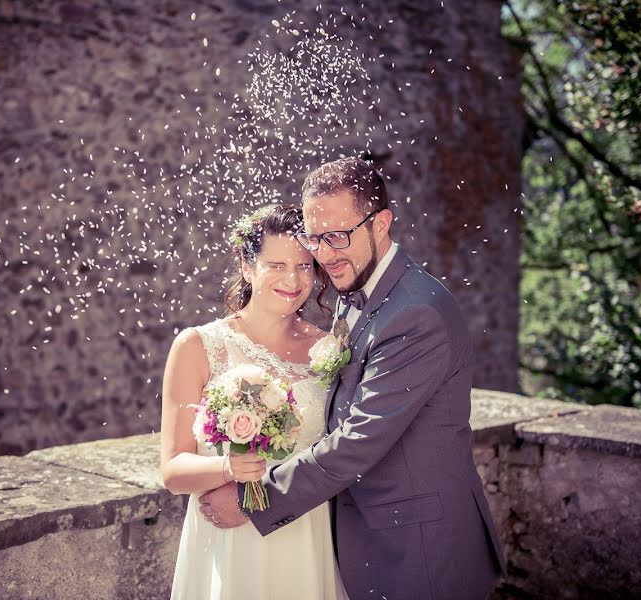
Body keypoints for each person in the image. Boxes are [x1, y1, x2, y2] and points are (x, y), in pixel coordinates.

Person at [199, 157, 507, 599]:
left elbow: (360, 437)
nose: (325, 254)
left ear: (381, 223)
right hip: (369, 536)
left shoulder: (416, 312)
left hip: (419, 547)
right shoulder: (358, 285)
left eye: (338, 236)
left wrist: (256, 498)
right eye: (315, 238)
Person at [160, 203, 349, 599]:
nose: (292, 280)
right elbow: (174, 469)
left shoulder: (328, 348)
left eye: (302, 266)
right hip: (232, 545)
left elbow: (342, 449)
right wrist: (229, 467)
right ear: (247, 266)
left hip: (306, 532)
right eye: (276, 265)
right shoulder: (199, 346)